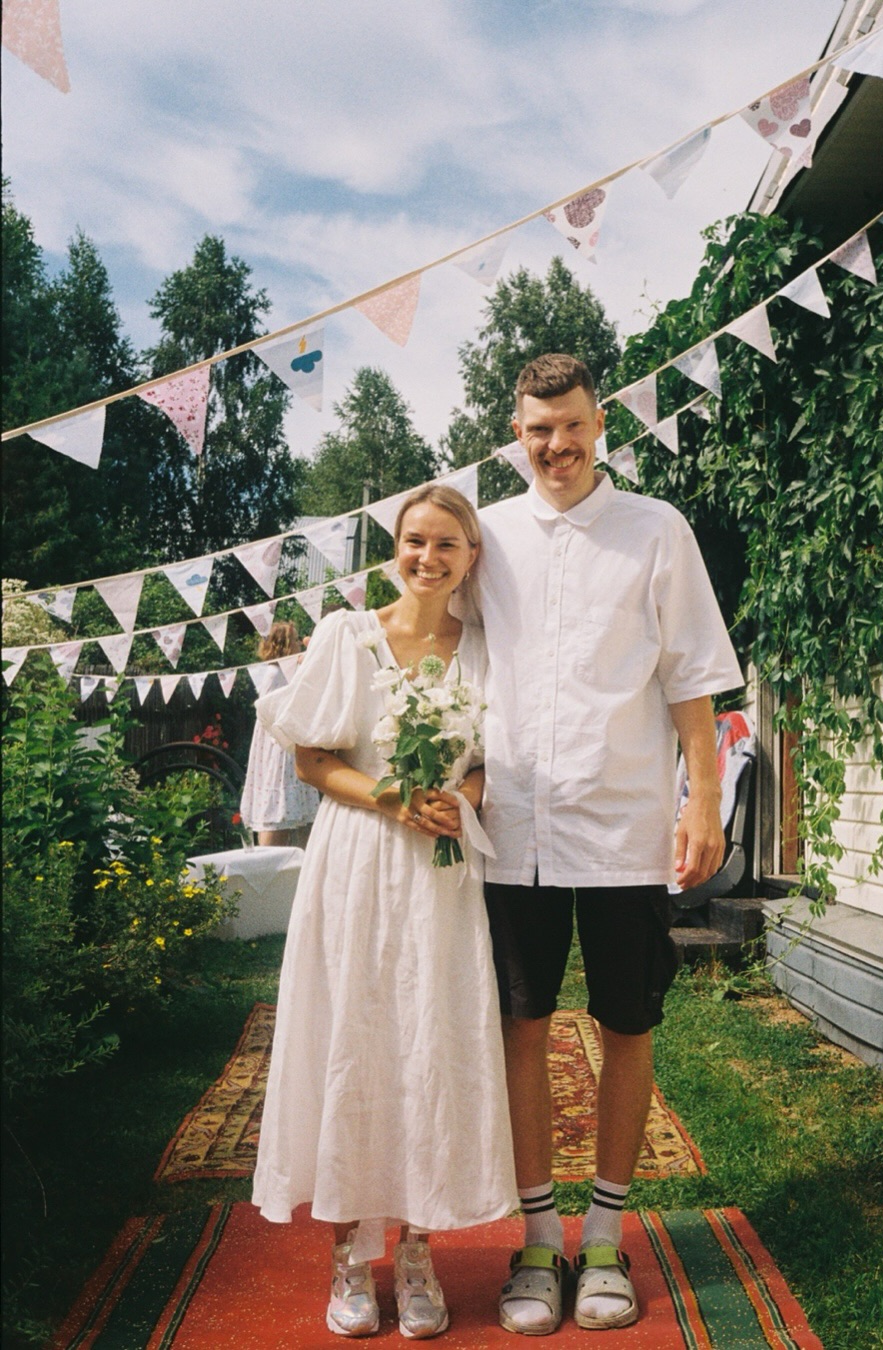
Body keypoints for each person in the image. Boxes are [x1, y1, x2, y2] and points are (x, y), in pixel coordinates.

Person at [474, 354, 743, 1335]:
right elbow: (436, 647)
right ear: (517, 435)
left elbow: (692, 675)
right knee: (522, 1027)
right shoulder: (487, 537)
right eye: (539, 429)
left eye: (573, 424)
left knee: (628, 1024)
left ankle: (603, 1239)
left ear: (600, 425)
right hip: (513, 830)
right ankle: (539, 1240)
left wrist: (701, 803)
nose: (558, 445)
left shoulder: (656, 529)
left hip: (626, 825)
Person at [251, 485, 516, 1339]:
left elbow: (493, 762)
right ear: (393, 548)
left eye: (446, 544)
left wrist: (462, 798)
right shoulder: (347, 635)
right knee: (352, 1041)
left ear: (470, 558)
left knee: (428, 1045)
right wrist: (391, 796)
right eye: (414, 541)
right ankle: (347, 1261)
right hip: (358, 863)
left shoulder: (484, 651)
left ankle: (416, 1251)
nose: (427, 558)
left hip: (441, 875)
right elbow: (312, 759)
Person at [238, 621, 320, 847]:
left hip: (291, 738)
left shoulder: (291, 669)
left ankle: (301, 861)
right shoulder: (274, 673)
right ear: (284, 644)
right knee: (275, 805)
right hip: (276, 743)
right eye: (295, 640)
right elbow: (266, 710)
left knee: (298, 810)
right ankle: (269, 857)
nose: (298, 643)